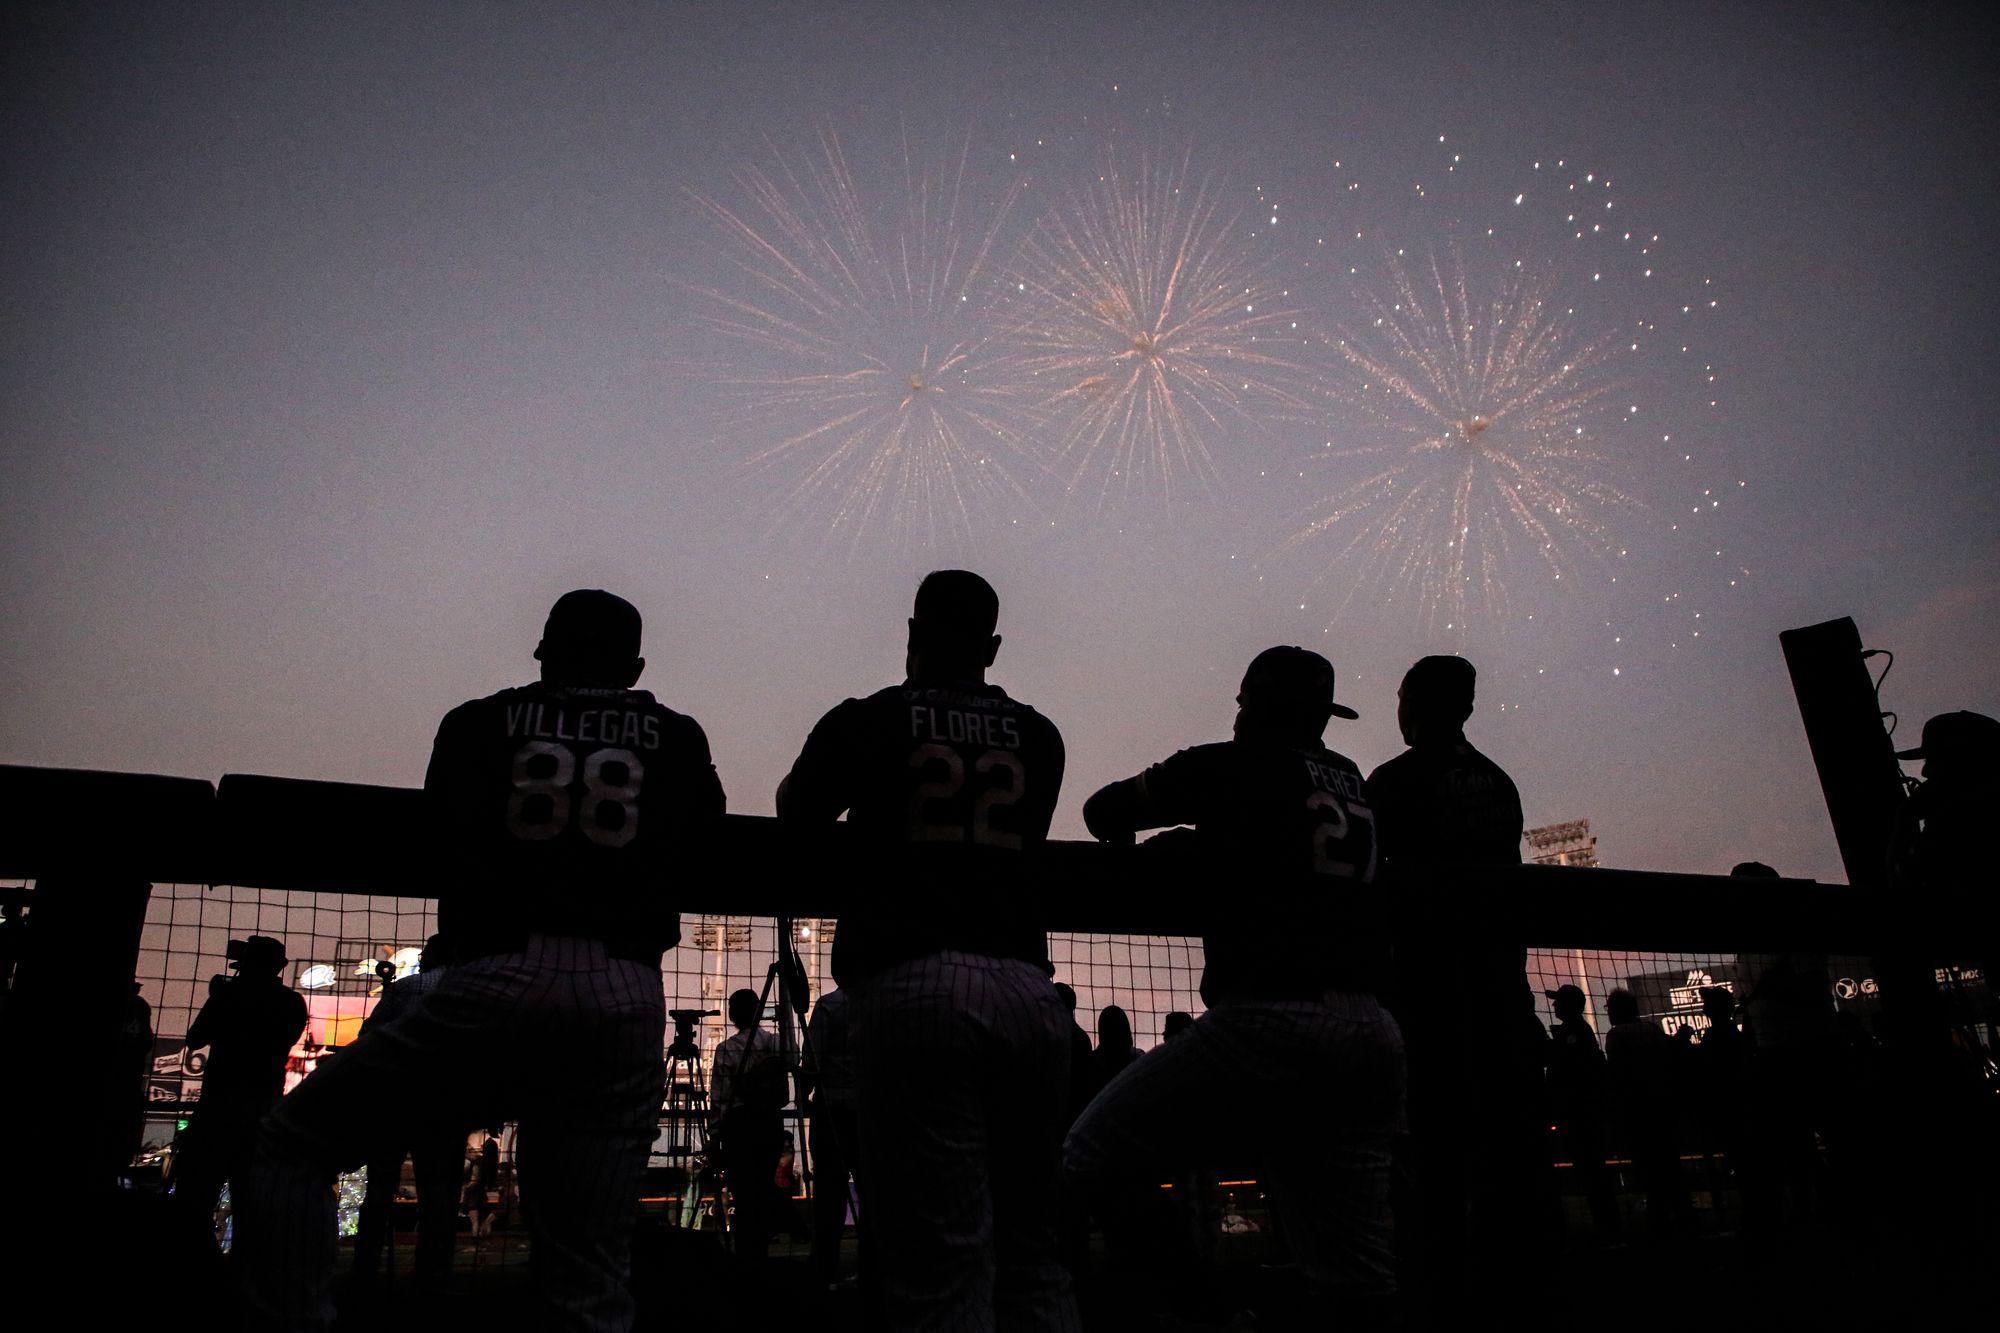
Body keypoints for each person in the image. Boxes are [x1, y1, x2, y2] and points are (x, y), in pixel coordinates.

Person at [236, 588, 726, 1332]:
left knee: (287, 1144)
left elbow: (440, 832)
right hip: (625, 984)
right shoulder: (678, 735)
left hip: (492, 969)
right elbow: (708, 842)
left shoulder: (478, 722)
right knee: (589, 1263)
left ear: (543, 650)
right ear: (633, 666)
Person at [776, 569, 1078, 1331]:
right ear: (994, 646)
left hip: (913, 979)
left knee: (937, 1257)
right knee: (1034, 1248)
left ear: (912, 633)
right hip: (1024, 985)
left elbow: (797, 807)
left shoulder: (871, 719)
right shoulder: (1039, 735)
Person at [1071, 645, 1404, 1329]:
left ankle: (1206, 1313)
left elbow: (1103, 811)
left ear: (1251, 703)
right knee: (1356, 1274)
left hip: (1271, 1015)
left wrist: (1187, 845)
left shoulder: (1226, 764)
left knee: (1090, 1156)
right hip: (1372, 1025)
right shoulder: (1351, 779)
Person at [1363, 655, 1526, 1305]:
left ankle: (1440, 1293)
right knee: (1501, 1172)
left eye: (1402, 696)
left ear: (1418, 704)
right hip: (1498, 1001)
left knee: (1426, 1172)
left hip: (1426, 1004)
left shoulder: (1395, 783)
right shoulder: (1497, 783)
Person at [170, 935, 308, 1251]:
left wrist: (219, 998)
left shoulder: (228, 995)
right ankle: (247, 1269)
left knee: (198, 1193)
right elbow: (286, 1039)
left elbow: (194, 1039)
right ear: (278, 967)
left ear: (245, 963)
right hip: (263, 1106)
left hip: (218, 1105)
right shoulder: (291, 1002)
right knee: (254, 1198)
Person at [349, 936, 464, 1288]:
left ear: (426, 958)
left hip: (395, 1102)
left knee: (379, 1191)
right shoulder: (470, 992)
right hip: (447, 1106)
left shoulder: (404, 989)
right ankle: (433, 1274)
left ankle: (364, 1269)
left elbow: (368, 1038)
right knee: (439, 1196)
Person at [711, 986, 785, 1263]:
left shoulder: (726, 1049)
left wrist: (714, 1134)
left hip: (738, 1127)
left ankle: (744, 1256)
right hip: (769, 1122)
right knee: (765, 1189)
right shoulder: (776, 1043)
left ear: (732, 1015)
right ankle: (762, 1253)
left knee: (743, 1195)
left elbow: (719, 1097)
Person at [1604, 989, 1685, 1241]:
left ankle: (1660, 1224)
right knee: (1669, 1169)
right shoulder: (1652, 1030)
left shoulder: (1617, 1035)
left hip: (1639, 1113)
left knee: (1651, 1172)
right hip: (1661, 1109)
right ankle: (1681, 1219)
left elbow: (1617, 1075)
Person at [1545, 984, 1619, 1244]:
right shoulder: (1574, 1032)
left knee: (1593, 1175)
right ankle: (1607, 1226)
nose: (1554, 1006)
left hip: (1582, 1117)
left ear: (1569, 1005)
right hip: (1581, 1115)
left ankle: (1608, 1228)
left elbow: (1566, 1067)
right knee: (1591, 1175)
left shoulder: (1575, 1032)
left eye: (1558, 1002)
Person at [805, 985, 860, 1288]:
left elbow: (811, 1059)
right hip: (867, 1112)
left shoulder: (828, 1006)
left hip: (830, 1111)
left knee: (828, 1198)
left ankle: (825, 1271)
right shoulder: (876, 1003)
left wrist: (802, 1097)